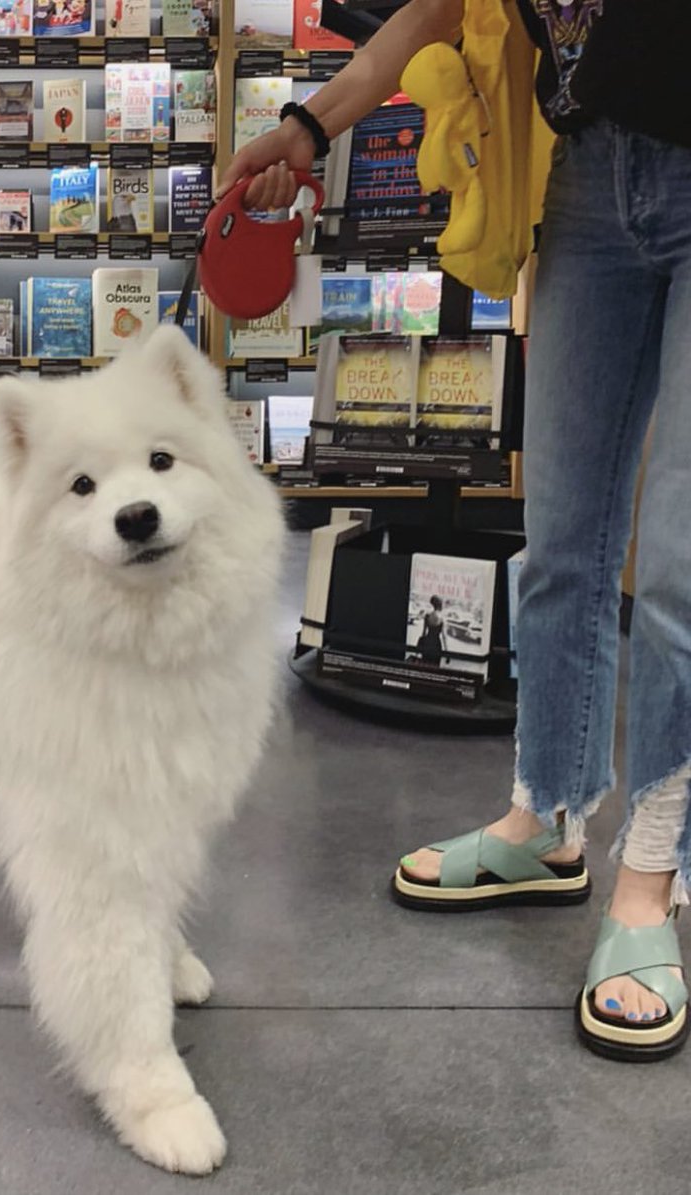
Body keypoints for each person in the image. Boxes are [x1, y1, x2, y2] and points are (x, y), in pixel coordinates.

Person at [220, 0, 691, 1061]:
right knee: (561, 532)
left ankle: (652, 881)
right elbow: (424, 16)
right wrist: (304, 130)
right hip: (585, 178)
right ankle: (546, 815)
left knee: (675, 569)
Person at [415, 595, 446, 666]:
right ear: (440, 605)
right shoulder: (442, 618)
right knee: (435, 666)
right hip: (436, 645)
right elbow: (444, 637)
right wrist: (447, 652)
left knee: (425, 665)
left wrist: (419, 646)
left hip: (427, 643)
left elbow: (423, 632)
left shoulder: (427, 616)